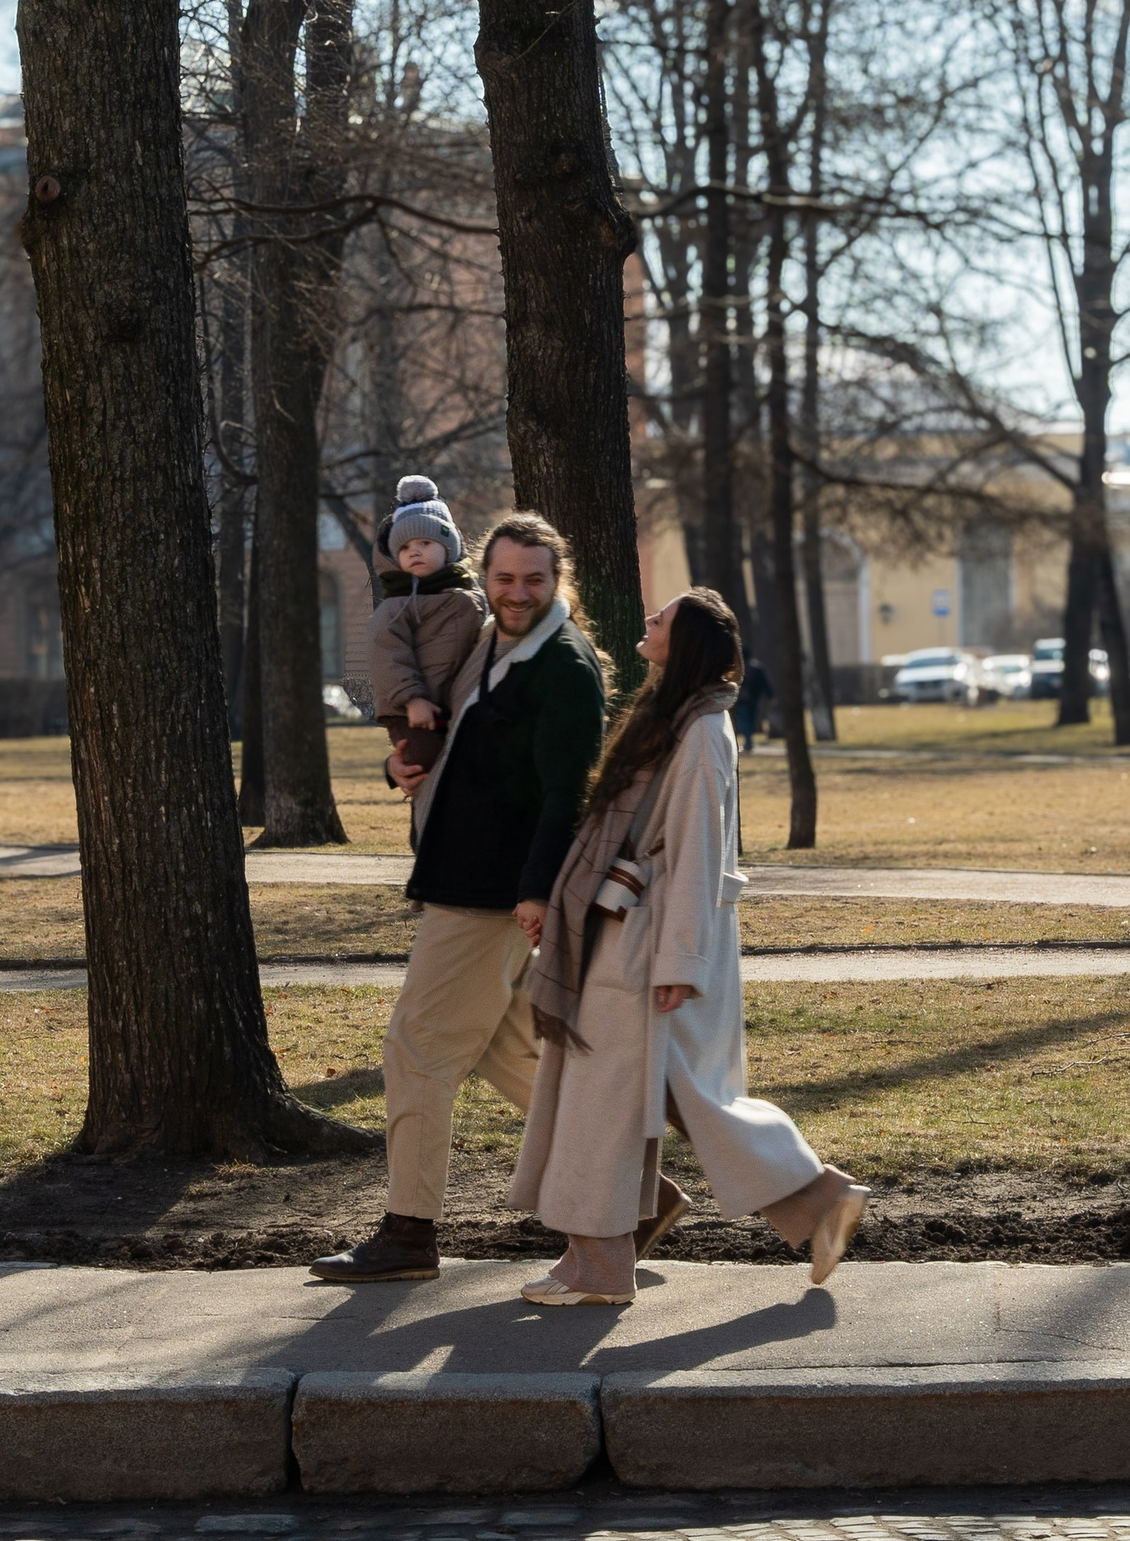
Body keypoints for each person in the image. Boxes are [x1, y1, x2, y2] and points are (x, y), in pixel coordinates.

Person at [506, 586, 868, 1307]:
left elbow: (700, 852)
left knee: (608, 1097)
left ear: (689, 641)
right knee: (662, 1096)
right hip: (622, 928)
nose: (648, 623)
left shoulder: (702, 731)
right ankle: (814, 1199)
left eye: (661, 619)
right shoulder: (669, 716)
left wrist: (680, 962)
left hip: (645, 940)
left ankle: (601, 1266)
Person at [311, 512, 608, 1286]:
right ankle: (632, 1198)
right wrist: (400, 765)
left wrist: (537, 890)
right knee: (511, 1054)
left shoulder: (565, 666)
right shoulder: (492, 639)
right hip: (459, 875)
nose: (517, 592)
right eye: (504, 578)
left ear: (557, 580)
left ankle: (410, 1233)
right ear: (486, 573)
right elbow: (455, 728)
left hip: (492, 894)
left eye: (534, 580)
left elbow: (565, 796)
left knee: (416, 1051)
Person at [364, 474, 486, 780]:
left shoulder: (469, 596)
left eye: (425, 542)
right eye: (404, 548)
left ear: (449, 546)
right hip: (411, 710)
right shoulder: (398, 605)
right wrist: (412, 699)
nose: (414, 551)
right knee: (424, 762)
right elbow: (387, 654)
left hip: (455, 704)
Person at [732, 650, 773, 754]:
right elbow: (765, 683)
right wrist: (770, 695)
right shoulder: (757, 668)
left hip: (741, 700)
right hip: (754, 699)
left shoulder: (738, 669)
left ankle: (748, 742)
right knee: (750, 720)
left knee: (745, 721)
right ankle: (749, 741)